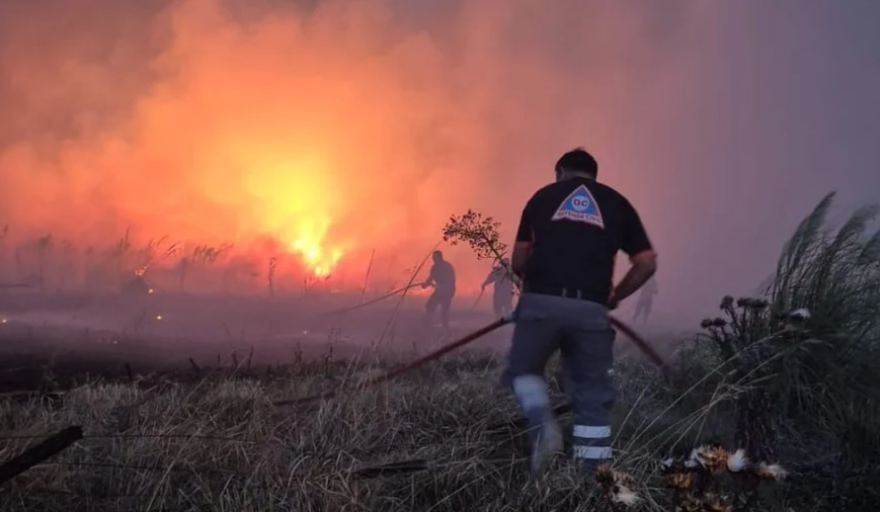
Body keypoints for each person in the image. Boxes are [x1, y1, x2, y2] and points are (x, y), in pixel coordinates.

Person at [504, 147, 657, 478]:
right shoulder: (618, 204)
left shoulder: (541, 198)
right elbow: (646, 263)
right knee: (591, 394)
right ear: (594, 174)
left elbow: (518, 263)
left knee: (523, 371)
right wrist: (614, 297)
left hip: (540, 302)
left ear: (560, 171)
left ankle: (541, 422)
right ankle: (592, 479)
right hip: (591, 310)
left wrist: (538, 289)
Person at [422, 250, 456, 329]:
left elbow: (452, 279)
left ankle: (444, 327)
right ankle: (428, 323)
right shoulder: (434, 267)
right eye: (433, 257)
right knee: (430, 306)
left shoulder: (447, 266)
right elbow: (431, 278)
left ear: (439, 257)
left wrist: (450, 290)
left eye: (434, 257)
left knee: (443, 309)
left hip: (446, 291)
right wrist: (425, 284)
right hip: (440, 290)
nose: (433, 259)